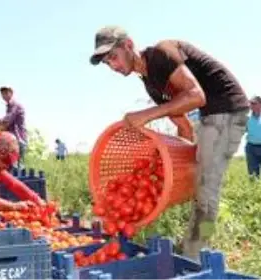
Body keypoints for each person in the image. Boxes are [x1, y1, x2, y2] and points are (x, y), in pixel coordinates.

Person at [89, 26, 250, 261]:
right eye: (107, 63)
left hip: (228, 111)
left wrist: (147, 114)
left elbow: (196, 96)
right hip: (210, 117)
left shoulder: (161, 54)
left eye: (113, 56)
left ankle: (196, 254)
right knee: (199, 183)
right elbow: (183, 126)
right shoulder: (151, 82)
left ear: (129, 45)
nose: (113, 66)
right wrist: (171, 163)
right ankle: (195, 247)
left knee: (207, 187)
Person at [0, 86, 27, 175]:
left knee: (16, 167)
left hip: (18, 140)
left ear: (11, 93)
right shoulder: (9, 107)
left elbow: (6, 121)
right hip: (12, 140)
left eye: (6, 93)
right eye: (2, 93)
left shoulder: (15, 106)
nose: (4, 95)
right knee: (12, 166)